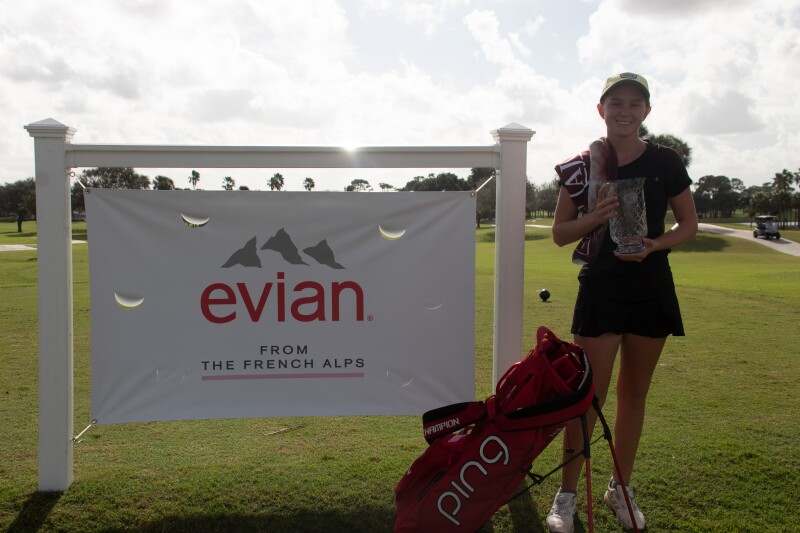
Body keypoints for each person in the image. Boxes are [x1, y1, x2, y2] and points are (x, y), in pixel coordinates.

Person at [545, 72, 698, 532]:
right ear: (601, 110)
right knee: (587, 398)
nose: (624, 111)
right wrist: (594, 216)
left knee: (634, 397)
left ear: (646, 112)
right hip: (601, 289)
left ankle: (620, 489)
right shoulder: (581, 166)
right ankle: (566, 496)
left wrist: (654, 245)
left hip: (651, 287)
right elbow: (559, 234)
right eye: (616, 103)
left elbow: (688, 223)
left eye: (635, 103)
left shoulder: (665, 160)